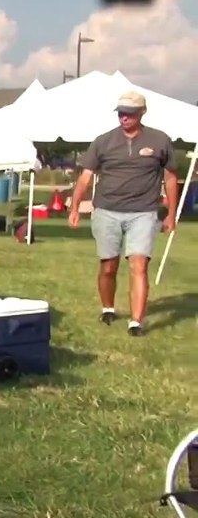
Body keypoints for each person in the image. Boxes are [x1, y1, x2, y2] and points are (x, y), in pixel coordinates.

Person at [68, 90, 179, 337]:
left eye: (129, 114)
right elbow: (85, 176)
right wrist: (75, 207)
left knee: (138, 265)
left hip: (144, 212)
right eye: (120, 113)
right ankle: (108, 307)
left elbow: (171, 178)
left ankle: (136, 322)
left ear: (142, 113)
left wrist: (171, 214)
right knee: (108, 266)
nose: (124, 118)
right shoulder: (103, 141)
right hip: (107, 210)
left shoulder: (159, 141)